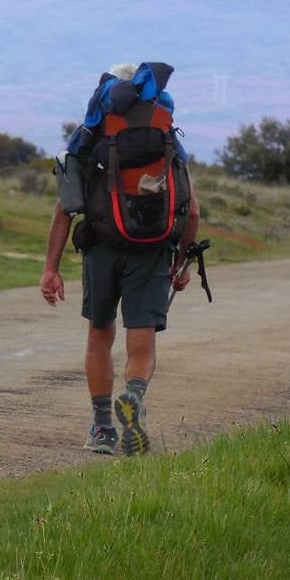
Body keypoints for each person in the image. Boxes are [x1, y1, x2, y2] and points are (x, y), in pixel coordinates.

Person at [39, 62, 200, 456]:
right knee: (140, 340)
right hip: (153, 247)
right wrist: (182, 263)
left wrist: (51, 268)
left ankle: (101, 427)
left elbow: (66, 207)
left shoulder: (92, 133)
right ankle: (135, 395)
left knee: (100, 333)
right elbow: (192, 210)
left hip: (101, 245)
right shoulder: (164, 131)